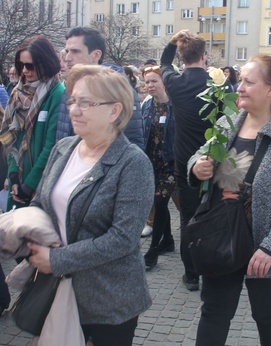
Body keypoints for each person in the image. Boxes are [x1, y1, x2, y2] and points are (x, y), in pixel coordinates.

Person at [189, 54, 271, 346]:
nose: (240, 88)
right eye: (240, 81)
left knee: (267, 314)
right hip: (221, 234)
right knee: (214, 312)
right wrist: (197, 167)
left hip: (264, 244)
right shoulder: (228, 121)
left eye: (249, 82)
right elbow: (200, 155)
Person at [27, 64, 154, 345]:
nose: (74, 109)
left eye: (86, 103)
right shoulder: (64, 148)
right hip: (57, 289)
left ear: (114, 111)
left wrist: (57, 260)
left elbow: (123, 238)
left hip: (108, 301)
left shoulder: (133, 163)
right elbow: (40, 201)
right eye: (73, 101)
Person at [160, 29, 216, 291]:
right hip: (212, 157)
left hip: (184, 159)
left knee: (188, 216)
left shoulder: (175, 83)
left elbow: (163, 63)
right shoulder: (218, 85)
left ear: (182, 58)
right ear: (204, 57)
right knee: (213, 211)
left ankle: (191, 274)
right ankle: (214, 266)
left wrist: (172, 43)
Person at [0, 35, 65, 211]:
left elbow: (52, 146)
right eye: (20, 65)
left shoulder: (58, 93)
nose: (24, 71)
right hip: (19, 179)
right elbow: (14, 139)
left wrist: (29, 185)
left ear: (45, 63)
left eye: (30, 65)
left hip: (40, 185)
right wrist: (13, 175)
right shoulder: (18, 92)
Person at [57, 26, 144, 149]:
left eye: (75, 51)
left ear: (96, 55)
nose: (68, 58)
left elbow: (133, 143)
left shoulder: (118, 90)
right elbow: (62, 136)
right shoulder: (71, 88)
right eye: (67, 51)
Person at [141, 66, 176, 268]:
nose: (150, 85)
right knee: (159, 202)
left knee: (160, 202)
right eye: (147, 82)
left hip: (170, 162)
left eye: (154, 81)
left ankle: (153, 251)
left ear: (164, 82)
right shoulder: (147, 106)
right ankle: (168, 240)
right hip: (151, 161)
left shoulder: (175, 106)